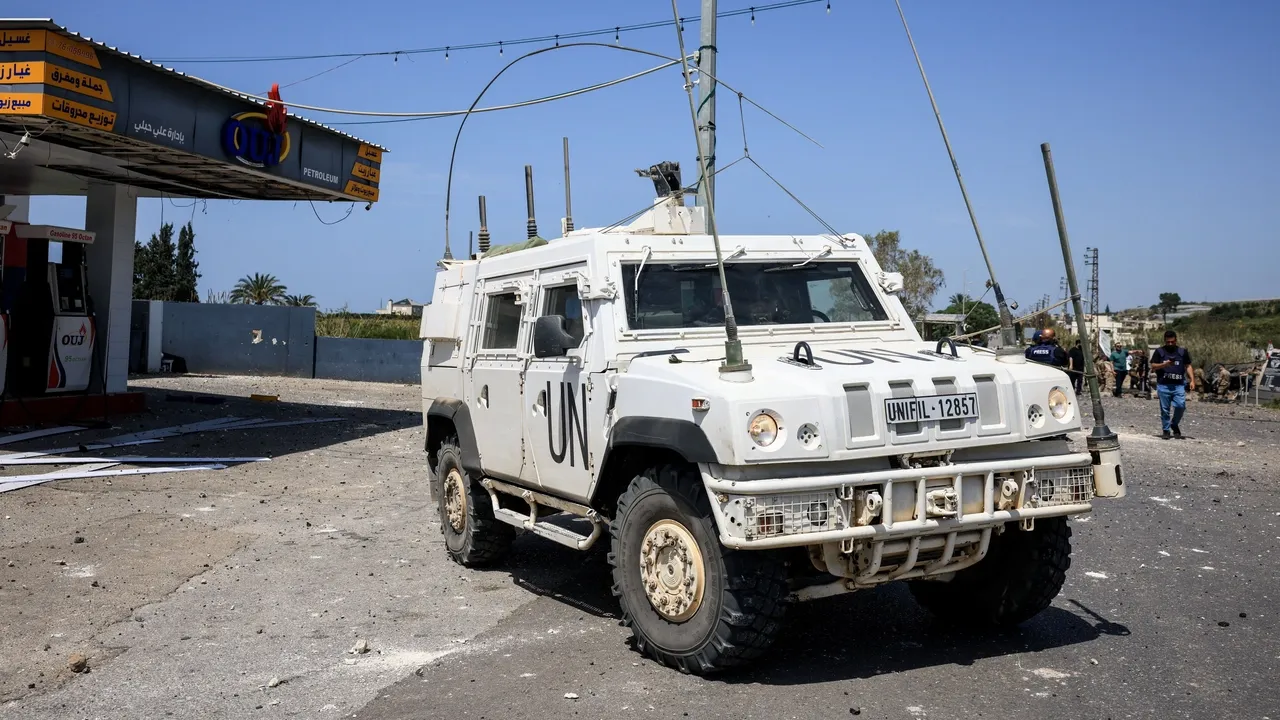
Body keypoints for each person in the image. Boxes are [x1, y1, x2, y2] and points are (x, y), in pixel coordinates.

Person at [1151, 330, 1195, 439]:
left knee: (1181, 406)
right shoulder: (1159, 352)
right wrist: (1164, 364)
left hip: (1179, 385)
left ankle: (1174, 424)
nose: (1170, 344)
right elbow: (1153, 366)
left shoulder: (1182, 352)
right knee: (1165, 409)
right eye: (1168, 342)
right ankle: (1166, 430)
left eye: (1172, 342)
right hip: (1164, 385)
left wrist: (1192, 380)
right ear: (1165, 341)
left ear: (1176, 340)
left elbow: (1188, 366)